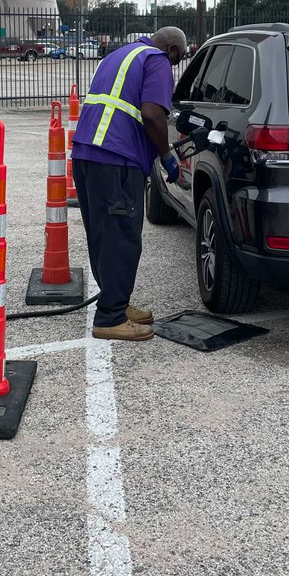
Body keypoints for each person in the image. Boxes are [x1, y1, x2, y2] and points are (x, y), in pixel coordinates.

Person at [71, 26, 188, 341]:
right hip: (116, 159)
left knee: (103, 235)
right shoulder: (158, 60)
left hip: (87, 155)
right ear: (173, 48)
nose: (174, 67)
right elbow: (152, 114)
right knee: (122, 238)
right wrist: (166, 155)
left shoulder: (119, 55)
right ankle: (109, 317)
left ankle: (116, 304)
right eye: (179, 59)